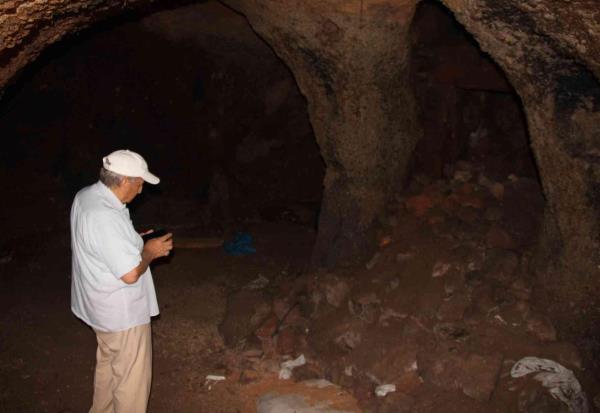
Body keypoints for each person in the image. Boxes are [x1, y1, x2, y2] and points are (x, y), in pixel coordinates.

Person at [70, 149, 173, 412]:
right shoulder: (105, 216)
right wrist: (149, 252)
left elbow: (102, 244)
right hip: (122, 315)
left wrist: (134, 238)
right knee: (131, 383)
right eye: (139, 184)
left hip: (99, 309)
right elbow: (129, 274)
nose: (140, 191)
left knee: (109, 369)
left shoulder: (87, 196)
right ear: (125, 180)